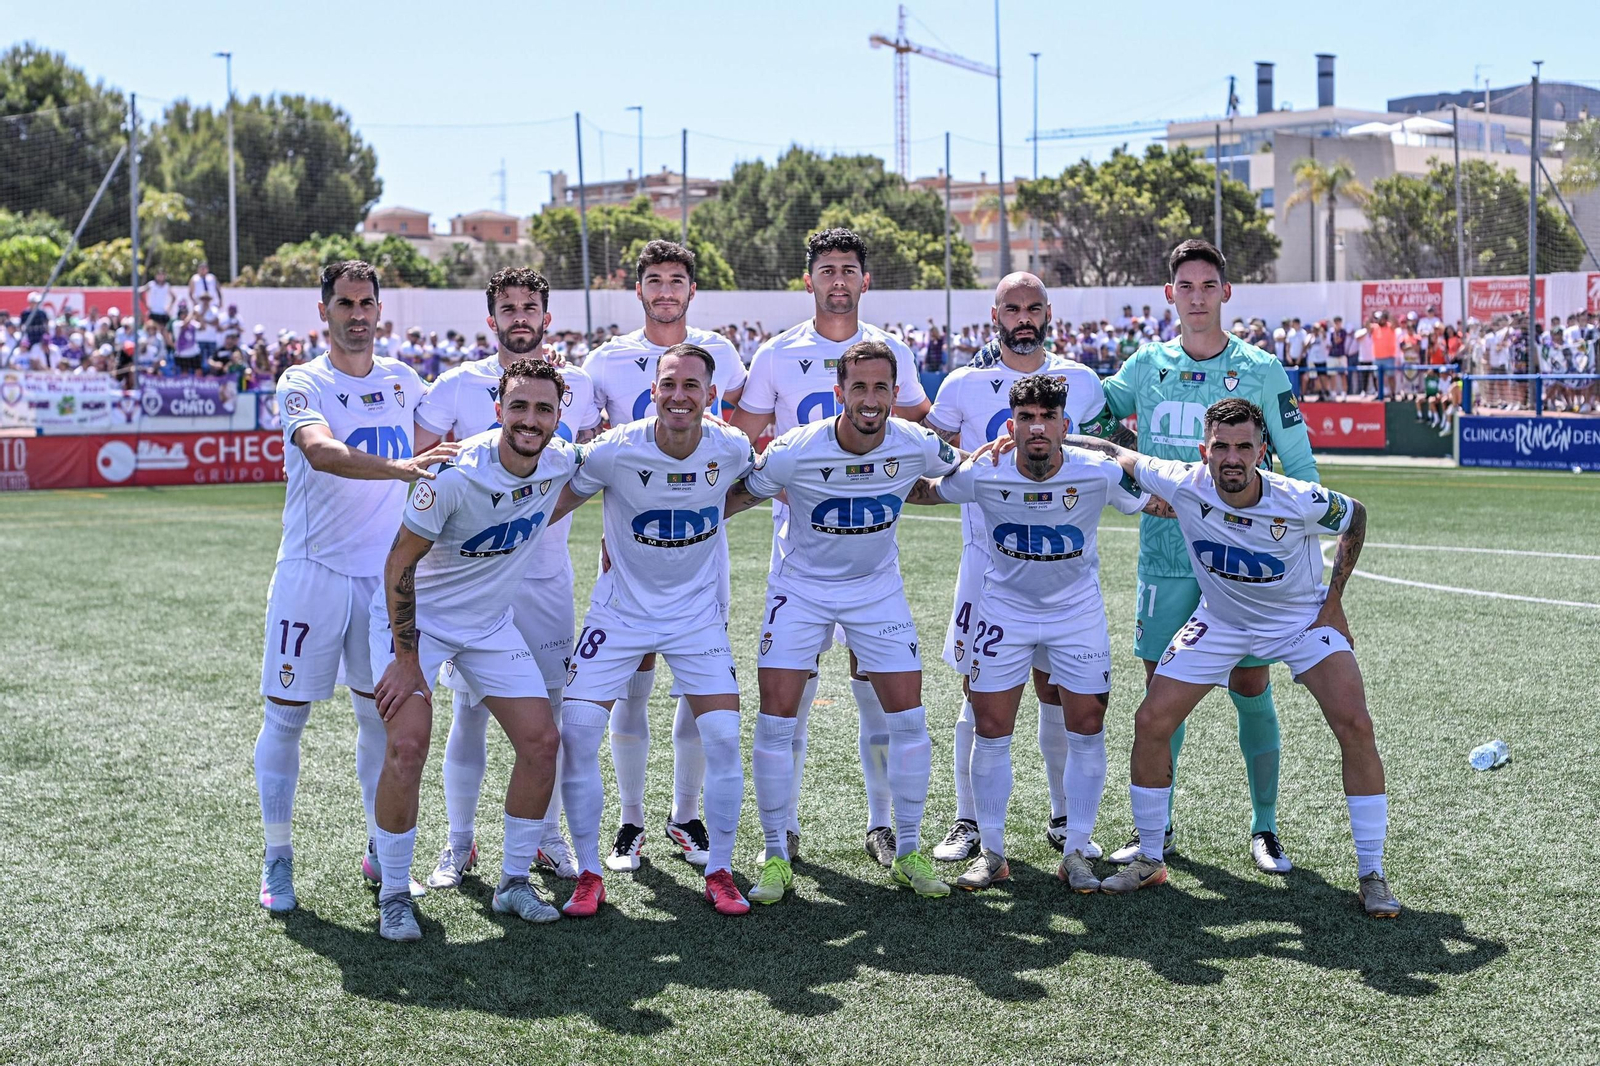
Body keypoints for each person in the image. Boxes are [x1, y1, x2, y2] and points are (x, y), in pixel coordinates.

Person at [1067, 399, 1401, 918]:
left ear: (1262, 452)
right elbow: (1116, 453)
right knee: (1151, 720)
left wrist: (1333, 600)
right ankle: (1151, 857)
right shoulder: (1185, 480)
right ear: (1205, 450)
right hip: (1220, 622)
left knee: (1356, 724)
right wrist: (1045, 438)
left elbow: (1355, 515)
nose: (1232, 458)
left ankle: (1372, 873)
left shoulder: (1298, 498)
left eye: (1244, 446)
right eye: (1221, 446)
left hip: (1299, 624)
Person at [1094, 238, 1318, 875]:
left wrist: (1289, 542)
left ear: (1226, 294)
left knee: (1250, 682)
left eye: (1207, 286)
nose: (1196, 297)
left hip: (1241, 562)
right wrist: (1138, 489)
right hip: (1164, 558)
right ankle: (1156, 829)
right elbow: (1090, 416)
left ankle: (1266, 827)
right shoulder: (1143, 367)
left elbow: (1299, 468)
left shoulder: (1262, 369)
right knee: (1163, 691)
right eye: (1184, 287)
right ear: (1169, 295)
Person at [725, 340, 963, 903]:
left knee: (908, 718)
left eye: (883, 387)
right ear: (840, 393)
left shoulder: (916, 443)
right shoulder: (793, 449)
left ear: (895, 393)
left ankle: (907, 851)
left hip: (877, 593)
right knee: (777, 722)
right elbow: (738, 497)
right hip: (800, 591)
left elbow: (962, 472)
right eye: (860, 387)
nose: (872, 398)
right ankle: (777, 856)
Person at [729, 228, 933, 870]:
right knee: (793, 693)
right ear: (809, 279)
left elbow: (916, 432)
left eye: (849, 269)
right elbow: (745, 441)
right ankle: (781, 835)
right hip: (800, 549)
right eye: (826, 269)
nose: (838, 280)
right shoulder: (777, 352)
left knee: (876, 690)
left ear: (865, 281)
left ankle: (884, 827)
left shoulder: (891, 349)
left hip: (872, 550)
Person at [254, 261, 451, 914]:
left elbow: (445, 443)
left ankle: (378, 846)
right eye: (345, 303)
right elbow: (318, 450)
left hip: (381, 583)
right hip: (311, 574)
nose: (358, 314)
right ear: (324, 312)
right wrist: (402, 469)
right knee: (286, 717)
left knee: (380, 717)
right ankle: (278, 860)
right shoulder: (303, 381)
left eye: (367, 303)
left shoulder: (402, 379)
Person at [907, 374, 1153, 891]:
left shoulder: (1097, 473)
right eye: (1026, 418)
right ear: (1011, 425)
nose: (1037, 428)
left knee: (1087, 723)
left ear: (1065, 424)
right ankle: (993, 852)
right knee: (990, 725)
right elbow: (926, 491)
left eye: (1048, 418)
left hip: (1075, 613)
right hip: (1004, 611)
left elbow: (1154, 500)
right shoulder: (984, 470)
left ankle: (1076, 849)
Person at [368, 359, 581, 940]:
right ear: (498, 410)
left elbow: (603, 466)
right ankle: (392, 893)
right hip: (419, 624)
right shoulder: (455, 473)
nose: (530, 420)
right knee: (408, 744)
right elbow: (398, 562)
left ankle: (513, 883)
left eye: (543, 409)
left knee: (542, 742)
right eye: (519, 406)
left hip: (488, 626)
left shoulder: (561, 461)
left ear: (560, 417)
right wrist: (406, 657)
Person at [547, 343, 756, 918]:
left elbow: (751, 489)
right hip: (619, 614)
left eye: (691, 385)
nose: (679, 395)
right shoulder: (616, 450)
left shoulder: (731, 446)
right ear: (654, 392)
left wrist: (713, 515)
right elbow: (558, 497)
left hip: (694, 616)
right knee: (579, 732)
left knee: (721, 736)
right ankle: (589, 872)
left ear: (711, 395)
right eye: (669, 384)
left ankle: (720, 871)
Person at [921, 273, 1118, 867]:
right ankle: (968, 821)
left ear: (1048, 313)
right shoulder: (962, 383)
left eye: (1034, 307)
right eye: (1013, 308)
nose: (1023, 317)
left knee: (1056, 688)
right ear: (996, 314)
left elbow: (1109, 450)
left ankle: (1064, 819)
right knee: (977, 692)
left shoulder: (1079, 382)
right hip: (986, 563)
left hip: (1060, 563)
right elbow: (931, 454)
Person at [413, 268, 601, 887]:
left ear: (548, 317)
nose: (520, 317)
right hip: (472, 583)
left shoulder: (583, 383)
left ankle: (545, 839)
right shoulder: (454, 386)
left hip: (544, 574)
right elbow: (421, 468)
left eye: (531, 307)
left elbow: (593, 469)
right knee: (468, 712)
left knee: (546, 712)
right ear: (490, 319)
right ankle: (459, 843)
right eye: (508, 308)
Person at [579, 240, 748, 874]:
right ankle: (630, 821)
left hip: (699, 545)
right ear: (639, 289)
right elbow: (589, 445)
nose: (666, 289)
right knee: (632, 676)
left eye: (677, 279)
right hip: (627, 541)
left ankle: (686, 813)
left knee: (695, 676)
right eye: (655, 280)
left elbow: (735, 441)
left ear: (691, 289)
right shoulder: (605, 359)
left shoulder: (722, 352)